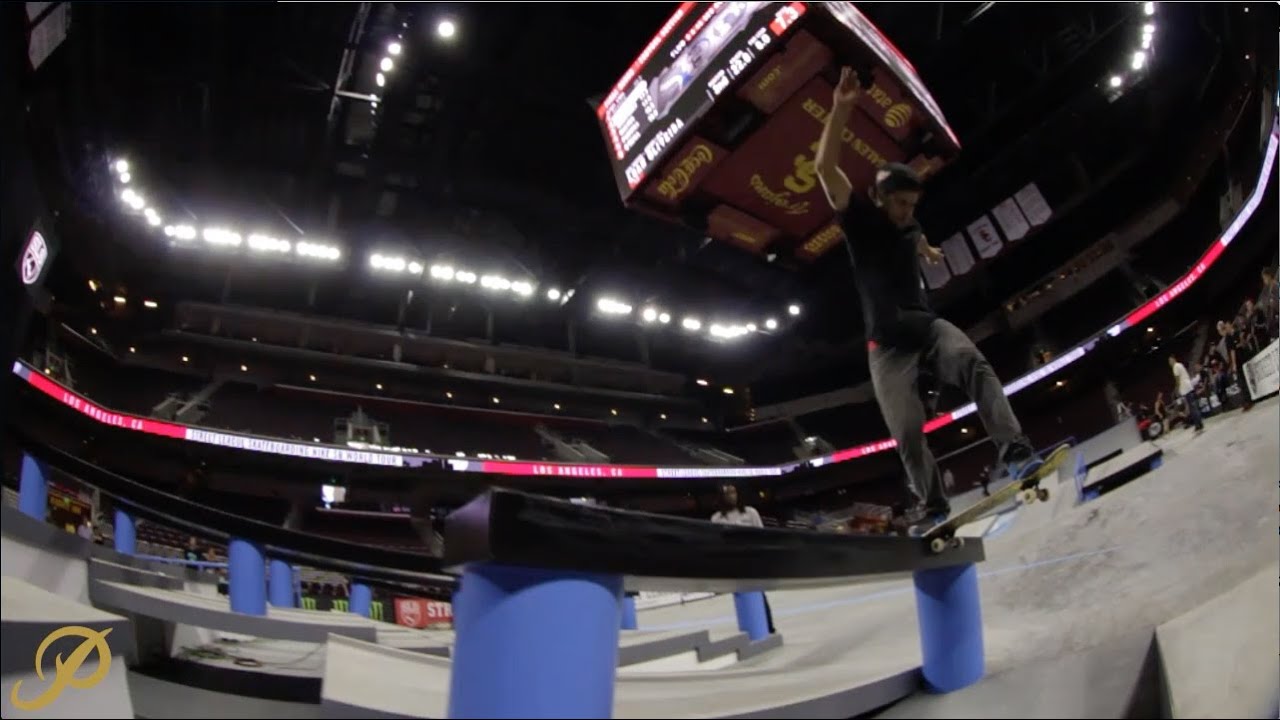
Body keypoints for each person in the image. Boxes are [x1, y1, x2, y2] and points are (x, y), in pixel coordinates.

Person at [814, 66, 1043, 528]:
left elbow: (915, 234)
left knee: (975, 364)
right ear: (880, 199)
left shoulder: (910, 222)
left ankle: (1015, 451)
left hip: (925, 326)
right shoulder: (860, 221)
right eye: (899, 204)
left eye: (911, 206)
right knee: (906, 432)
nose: (906, 213)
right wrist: (841, 109)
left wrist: (927, 247)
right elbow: (823, 168)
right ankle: (934, 504)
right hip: (886, 346)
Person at [710, 484, 775, 634]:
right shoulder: (716, 518)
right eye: (727, 493)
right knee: (742, 596)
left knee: (758, 594)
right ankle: (748, 627)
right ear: (721, 497)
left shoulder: (750, 512)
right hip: (734, 562)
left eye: (734, 492)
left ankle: (768, 627)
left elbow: (762, 535)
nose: (732, 496)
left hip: (752, 560)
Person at [1168, 355, 1204, 433]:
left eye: (1170, 361)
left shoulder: (1175, 367)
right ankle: (1199, 424)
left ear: (1174, 359)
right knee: (1193, 407)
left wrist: (1177, 389)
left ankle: (1198, 425)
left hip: (1185, 388)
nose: (1170, 363)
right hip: (1189, 386)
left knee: (1192, 408)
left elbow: (1177, 379)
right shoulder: (1180, 364)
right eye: (1169, 362)